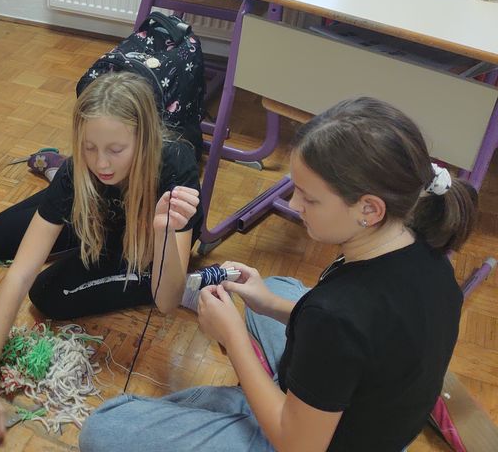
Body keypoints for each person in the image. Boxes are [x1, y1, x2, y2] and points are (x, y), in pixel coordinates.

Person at [79, 97, 476, 452]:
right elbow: (359, 339)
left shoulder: (335, 316)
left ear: (369, 209)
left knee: (105, 429)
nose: (294, 204)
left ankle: (246, 406)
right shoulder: (426, 251)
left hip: (308, 441)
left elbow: (299, 444)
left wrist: (233, 336)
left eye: (309, 198)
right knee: (276, 287)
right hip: (375, 413)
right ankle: (258, 389)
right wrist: (269, 304)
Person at [0, 72, 203, 442]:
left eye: (115, 149)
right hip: (98, 206)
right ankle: (65, 189)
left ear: (142, 140)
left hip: (150, 233)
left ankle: (183, 275)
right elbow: (20, 272)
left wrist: (164, 232)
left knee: (47, 295)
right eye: (89, 147)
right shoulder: (84, 169)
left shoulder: (174, 166)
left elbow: (166, 301)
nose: (101, 162)